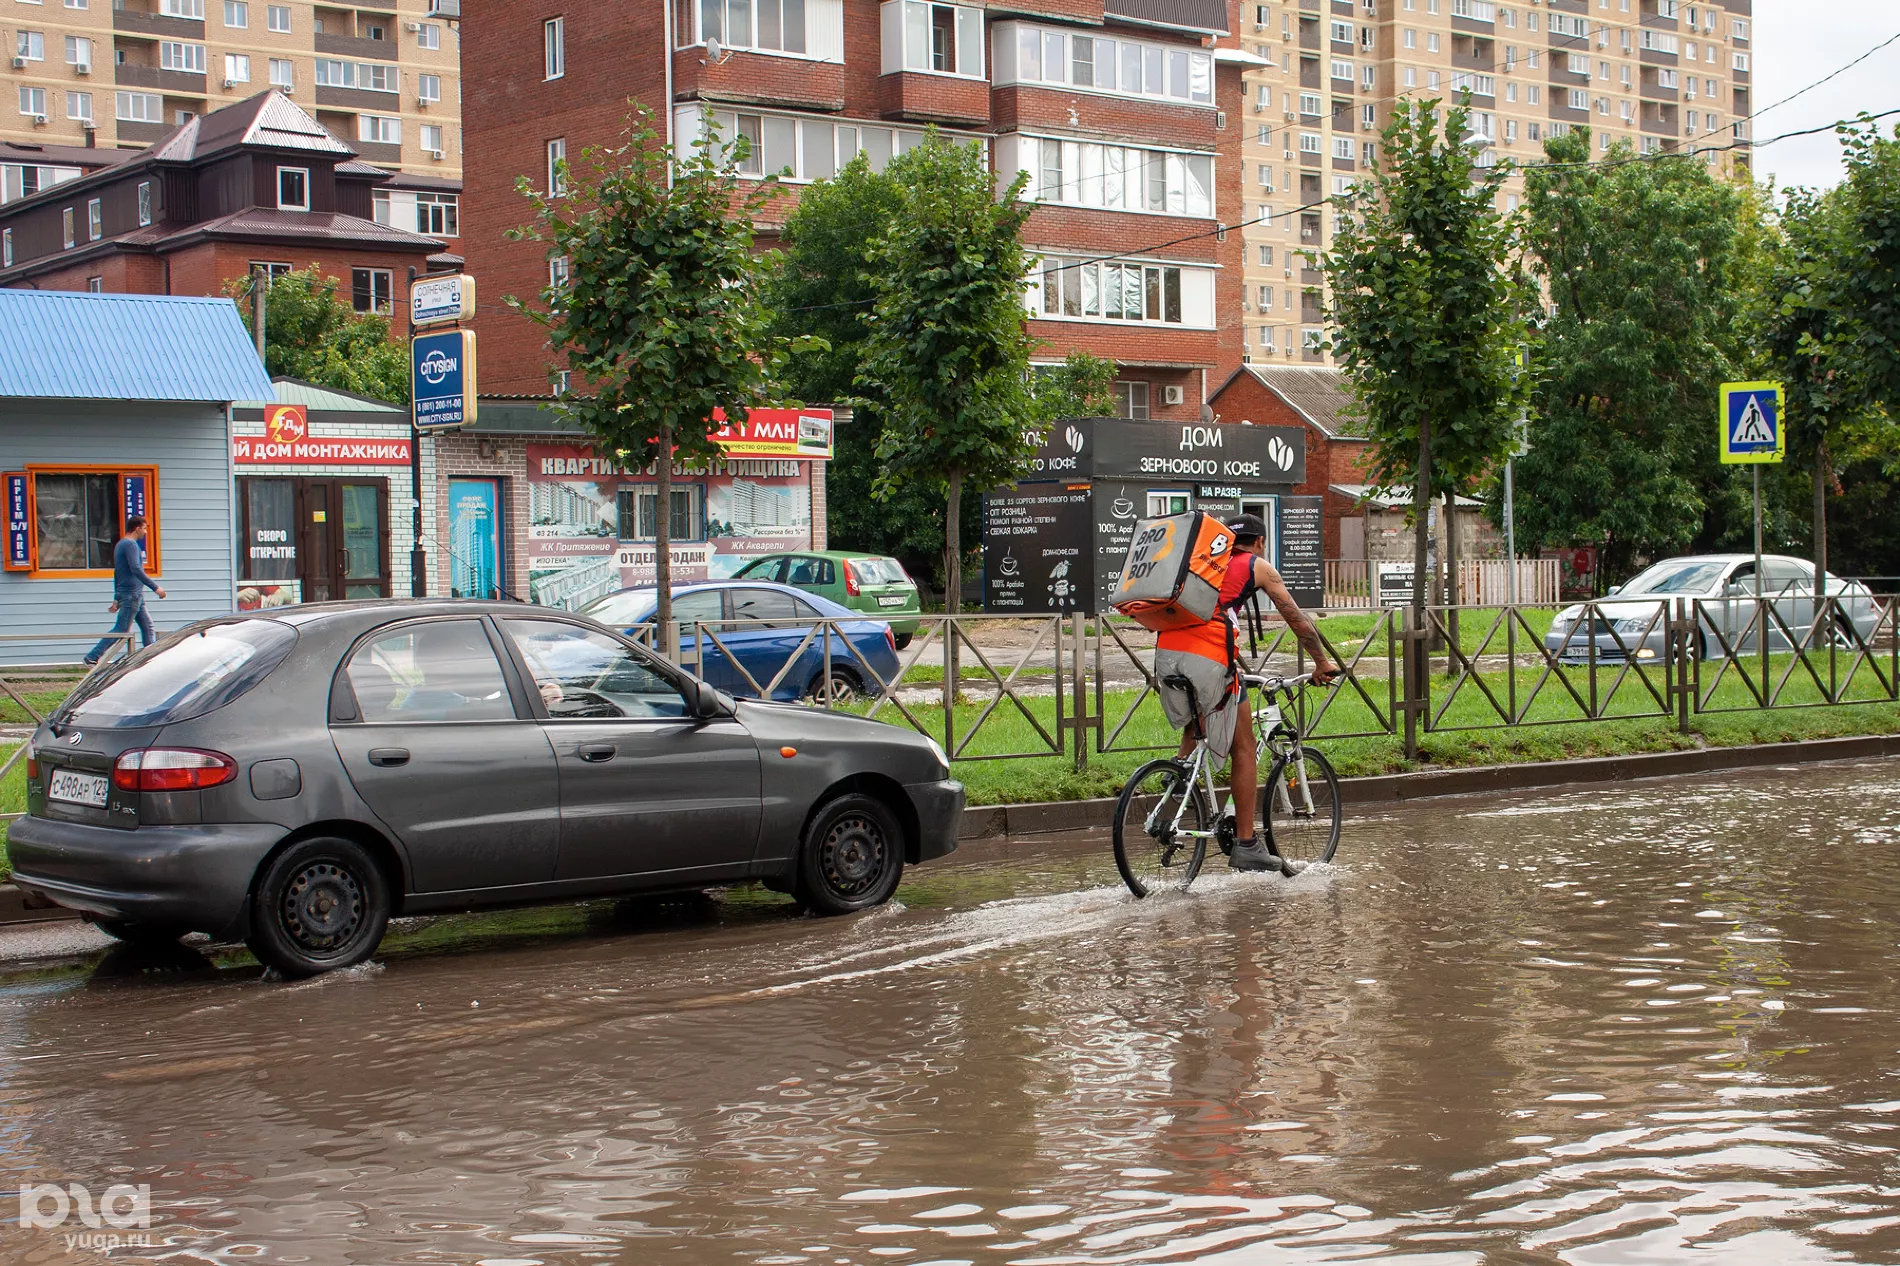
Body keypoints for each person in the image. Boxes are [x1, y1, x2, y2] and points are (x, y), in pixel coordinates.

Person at [1156, 514, 1338, 873]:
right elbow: (1296, 617)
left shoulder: (1203, 563)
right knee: (1244, 746)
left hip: (1167, 652)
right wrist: (1321, 662)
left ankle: (1179, 777)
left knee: (1202, 710)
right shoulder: (1257, 565)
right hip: (1207, 654)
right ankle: (1246, 843)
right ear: (1259, 542)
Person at [83, 516, 165, 666]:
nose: (146, 532)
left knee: (147, 626)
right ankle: (92, 656)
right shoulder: (130, 545)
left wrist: (116, 596)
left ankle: (150, 659)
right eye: (144, 528)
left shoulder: (121, 544)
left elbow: (118, 572)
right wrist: (155, 588)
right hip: (131, 594)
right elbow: (136, 569)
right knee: (121, 629)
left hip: (133, 594)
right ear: (137, 529)